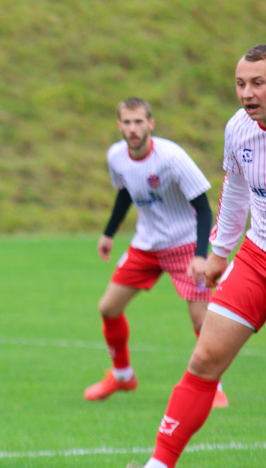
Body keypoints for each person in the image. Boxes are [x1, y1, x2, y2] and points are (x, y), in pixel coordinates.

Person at [96, 44, 266, 468]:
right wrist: (219, 253)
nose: (246, 93)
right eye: (240, 84)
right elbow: (236, 193)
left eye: (258, 83)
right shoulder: (239, 129)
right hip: (259, 256)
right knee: (204, 359)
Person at [84, 97, 228, 408]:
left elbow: (204, 209)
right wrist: (108, 233)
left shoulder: (172, 157)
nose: (132, 128)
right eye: (127, 122)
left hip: (186, 245)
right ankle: (123, 376)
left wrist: (201, 255)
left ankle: (212, 386)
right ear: (119, 125)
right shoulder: (116, 156)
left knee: (202, 320)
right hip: (146, 245)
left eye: (138, 122)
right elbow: (126, 192)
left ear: (151, 123)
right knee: (108, 307)